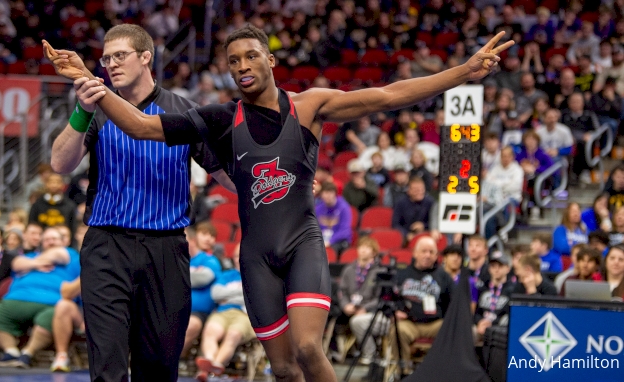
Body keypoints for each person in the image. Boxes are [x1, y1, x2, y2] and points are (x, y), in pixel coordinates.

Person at [43, 25, 512, 382]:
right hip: (252, 256)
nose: (243, 65)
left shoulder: (308, 106)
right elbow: (143, 127)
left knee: (309, 348)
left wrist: (463, 73)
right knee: (284, 370)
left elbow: (388, 96)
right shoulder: (219, 118)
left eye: (251, 56)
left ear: (270, 59)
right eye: (233, 60)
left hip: (297, 242)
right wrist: (90, 82)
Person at [47, 24, 235, 382]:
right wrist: (81, 111)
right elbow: (59, 163)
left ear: (146, 57)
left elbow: (225, 174)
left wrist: (281, 181)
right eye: (105, 58)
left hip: (165, 250)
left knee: (159, 367)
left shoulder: (183, 110)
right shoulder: (95, 107)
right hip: (106, 246)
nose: (111, 64)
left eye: (120, 55)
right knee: (107, 366)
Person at [0, 227, 80, 369]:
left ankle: (28, 353)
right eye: (47, 240)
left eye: (54, 239)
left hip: (53, 302)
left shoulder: (72, 255)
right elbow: (16, 263)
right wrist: (37, 263)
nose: (50, 242)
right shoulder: (31, 256)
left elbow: (61, 255)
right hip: (16, 298)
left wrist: (30, 265)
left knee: (49, 318)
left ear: (64, 241)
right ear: (41, 243)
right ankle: (11, 352)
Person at [392, 236, 453, 374]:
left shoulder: (444, 276)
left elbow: (453, 304)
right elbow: (391, 298)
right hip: (409, 323)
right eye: (424, 251)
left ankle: (441, 372)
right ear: (415, 253)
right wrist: (395, 311)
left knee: (451, 329)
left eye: (431, 252)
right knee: (397, 330)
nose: (427, 255)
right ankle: (403, 372)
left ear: (437, 255)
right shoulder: (402, 274)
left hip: (435, 324)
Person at [195, 244, 256, 381]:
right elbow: (215, 294)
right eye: (235, 256)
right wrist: (241, 293)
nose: (237, 259)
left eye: (240, 256)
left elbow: (255, 297)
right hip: (222, 313)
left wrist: (227, 295)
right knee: (210, 330)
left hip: (244, 315)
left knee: (233, 334)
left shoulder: (256, 277)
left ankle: (212, 369)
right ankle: (210, 364)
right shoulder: (227, 275)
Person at [339, 237, 383, 365]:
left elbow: (379, 298)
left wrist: (365, 309)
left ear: (374, 252)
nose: (363, 250)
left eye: (367, 248)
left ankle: (371, 354)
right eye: (361, 247)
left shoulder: (380, 271)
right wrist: (345, 305)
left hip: (371, 311)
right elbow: (342, 292)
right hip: (350, 309)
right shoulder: (349, 270)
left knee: (357, 322)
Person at [182, 223, 222, 358]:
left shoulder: (210, 260)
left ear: (192, 240)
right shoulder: (180, 260)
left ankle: (165, 364)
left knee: (191, 325)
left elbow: (203, 278)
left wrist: (175, 277)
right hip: (175, 309)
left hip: (199, 313)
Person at [473, 250, 513, 343]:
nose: (496, 269)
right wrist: (479, 322)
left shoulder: (512, 290)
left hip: (500, 328)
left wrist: (491, 323)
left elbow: (509, 315)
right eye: (493, 266)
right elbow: (476, 312)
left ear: (507, 268)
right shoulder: (482, 288)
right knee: (468, 332)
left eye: (500, 266)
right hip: (480, 326)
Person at [50, 277, 84, 372]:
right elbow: (66, 293)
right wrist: (88, 273)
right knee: (63, 305)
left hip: (112, 314)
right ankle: (62, 356)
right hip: (83, 316)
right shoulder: (77, 263)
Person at [315, 182, 352, 256]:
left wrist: (330, 241)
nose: (328, 196)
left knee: (329, 251)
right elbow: (315, 228)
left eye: (330, 193)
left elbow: (344, 231)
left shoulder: (344, 207)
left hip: (339, 241)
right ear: (321, 195)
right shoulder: (318, 208)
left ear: (335, 194)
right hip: (322, 240)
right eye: (325, 193)